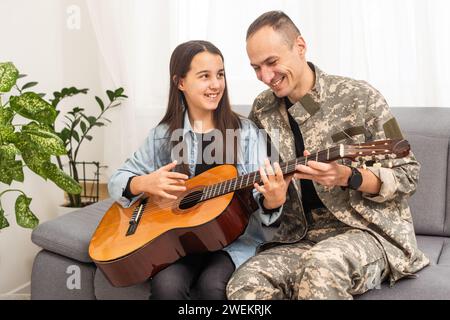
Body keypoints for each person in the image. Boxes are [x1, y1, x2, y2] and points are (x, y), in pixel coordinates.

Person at [226, 11, 429, 300]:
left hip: (367, 233)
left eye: (271, 62)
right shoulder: (262, 109)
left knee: (322, 266)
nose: (265, 77)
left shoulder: (361, 97)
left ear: (300, 46)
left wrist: (351, 176)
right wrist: (272, 201)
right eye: (256, 68)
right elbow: (256, 184)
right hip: (300, 239)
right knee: (244, 284)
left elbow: (409, 174)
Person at [108, 40, 283, 300]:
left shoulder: (245, 133)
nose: (216, 84)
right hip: (178, 242)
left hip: (233, 241)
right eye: (205, 76)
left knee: (212, 287)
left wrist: (273, 200)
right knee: (167, 286)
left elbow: (265, 198)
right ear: (180, 82)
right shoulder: (163, 135)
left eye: (220, 75)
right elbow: (117, 180)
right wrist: (143, 183)